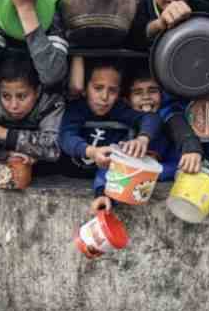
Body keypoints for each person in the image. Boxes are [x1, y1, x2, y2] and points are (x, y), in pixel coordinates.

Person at [58, 59, 162, 213]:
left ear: (119, 93)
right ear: (85, 89)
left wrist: (143, 138)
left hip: (105, 181)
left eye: (112, 90)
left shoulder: (118, 109)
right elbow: (66, 137)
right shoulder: (76, 109)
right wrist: (92, 151)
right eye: (98, 88)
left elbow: (151, 118)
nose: (104, 97)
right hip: (70, 175)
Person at [124, 62, 203, 179]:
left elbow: (179, 166)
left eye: (152, 91)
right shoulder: (123, 116)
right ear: (127, 100)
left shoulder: (167, 115)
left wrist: (191, 147)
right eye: (138, 92)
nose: (146, 97)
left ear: (162, 95)